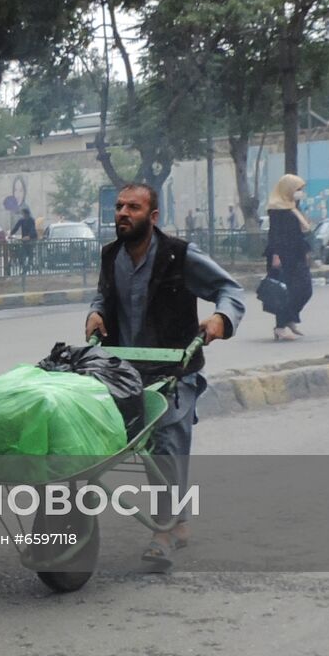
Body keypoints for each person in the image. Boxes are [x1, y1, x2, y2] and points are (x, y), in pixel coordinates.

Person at [84, 182, 245, 570]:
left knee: (168, 440)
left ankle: (164, 531)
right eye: (119, 206)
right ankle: (179, 522)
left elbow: (230, 289)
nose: (123, 213)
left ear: (153, 217)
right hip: (124, 369)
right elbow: (105, 297)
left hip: (174, 368)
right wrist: (95, 312)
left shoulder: (180, 255)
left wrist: (222, 318)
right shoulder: (111, 256)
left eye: (133, 208)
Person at [264, 174, 314, 341]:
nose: (300, 193)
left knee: (305, 289)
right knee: (284, 292)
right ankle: (280, 326)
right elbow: (275, 234)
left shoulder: (292, 207)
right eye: (297, 189)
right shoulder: (277, 209)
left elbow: (299, 234)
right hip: (283, 256)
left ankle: (290, 318)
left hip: (296, 254)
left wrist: (306, 251)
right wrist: (276, 255)